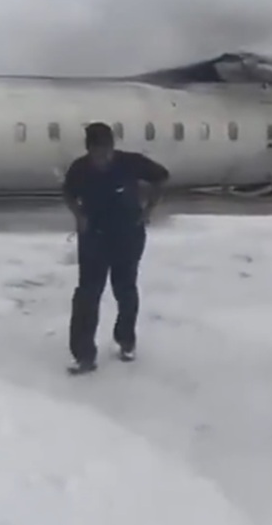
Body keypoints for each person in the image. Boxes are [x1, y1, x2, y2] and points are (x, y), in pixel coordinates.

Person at [62, 122, 170, 374]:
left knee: (125, 290)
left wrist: (149, 209)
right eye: (97, 153)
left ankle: (126, 340)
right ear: (89, 151)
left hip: (127, 236)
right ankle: (84, 354)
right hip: (94, 238)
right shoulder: (80, 169)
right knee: (87, 295)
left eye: (106, 151)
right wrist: (79, 215)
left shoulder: (130, 163)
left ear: (112, 147)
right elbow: (68, 192)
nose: (103, 158)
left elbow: (161, 177)